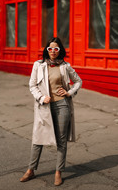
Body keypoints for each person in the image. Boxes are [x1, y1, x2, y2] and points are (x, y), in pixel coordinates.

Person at [20, 37, 82, 186]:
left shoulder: (65, 66)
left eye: (56, 49)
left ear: (60, 50)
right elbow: (32, 85)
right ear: (46, 50)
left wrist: (69, 92)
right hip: (44, 107)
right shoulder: (38, 65)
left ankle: (58, 172)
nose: (53, 51)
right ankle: (31, 169)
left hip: (62, 106)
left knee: (61, 141)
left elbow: (78, 81)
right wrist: (41, 98)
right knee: (38, 139)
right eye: (50, 48)